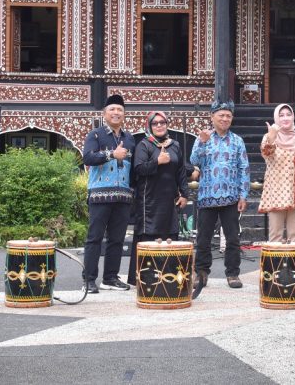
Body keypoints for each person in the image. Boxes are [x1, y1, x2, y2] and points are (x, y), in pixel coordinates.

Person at [191, 100, 250, 295]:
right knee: (203, 238)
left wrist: (243, 195)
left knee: (233, 238)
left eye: (228, 116)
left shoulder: (237, 141)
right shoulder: (204, 137)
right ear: (212, 117)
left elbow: (244, 169)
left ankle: (232, 273)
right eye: (221, 115)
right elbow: (194, 162)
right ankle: (201, 272)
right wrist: (202, 143)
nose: (225, 118)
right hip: (207, 196)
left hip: (231, 198)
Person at [127, 111, 190, 286]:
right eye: (155, 123)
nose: (159, 125)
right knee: (148, 236)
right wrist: (157, 162)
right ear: (150, 126)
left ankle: (169, 277)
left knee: (169, 234)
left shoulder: (174, 145)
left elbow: (181, 172)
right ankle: (145, 279)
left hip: (169, 200)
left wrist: (184, 194)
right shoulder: (144, 145)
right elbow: (138, 169)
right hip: (149, 202)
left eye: (162, 122)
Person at [81, 95, 135, 293]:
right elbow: (87, 157)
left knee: (117, 239)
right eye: (112, 109)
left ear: (124, 114)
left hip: (123, 197)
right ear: (104, 114)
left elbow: (134, 168)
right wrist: (112, 154)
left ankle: (110, 277)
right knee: (94, 238)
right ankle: (89, 279)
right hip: (100, 195)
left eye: (119, 110)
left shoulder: (129, 138)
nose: (116, 113)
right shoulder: (95, 135)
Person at [260, 103, 295, 242]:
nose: (285, 118)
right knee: (275, 236)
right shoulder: (269, 136)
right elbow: (267, 155)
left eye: (288, 115)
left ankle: (294, 264)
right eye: (281, 115)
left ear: (293, 117)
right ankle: (274, 265)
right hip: (276, 193)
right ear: (276, 118)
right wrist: (271, 137)